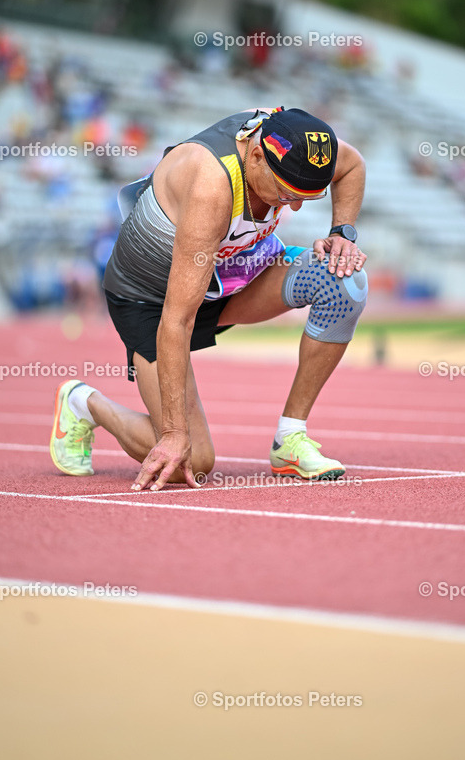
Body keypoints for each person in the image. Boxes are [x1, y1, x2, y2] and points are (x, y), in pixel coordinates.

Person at [49, 106, 368, 489]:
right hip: (153, 299)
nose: (294, 206)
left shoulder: (298, 144)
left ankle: (291, 439)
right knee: (194, 460)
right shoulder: (211, 186)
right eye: (286, 192)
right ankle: (84, 402)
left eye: (306, 197)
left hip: (232, 278)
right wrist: (173, 434)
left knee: (345, 281)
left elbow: (352, 166)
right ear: (254, 157)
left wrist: (342, 234)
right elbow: (177, 319)